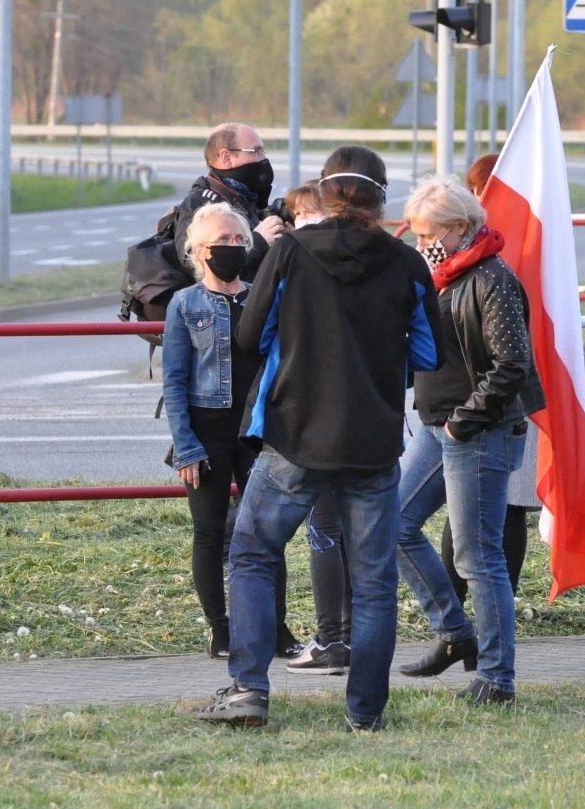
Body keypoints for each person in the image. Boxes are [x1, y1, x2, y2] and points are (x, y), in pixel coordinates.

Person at [198, 146, 441, 730]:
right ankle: (366, 713)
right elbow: (430, 352)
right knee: (374, 583)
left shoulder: (289, 251)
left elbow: (251, 334)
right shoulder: (407, 263)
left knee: (253, 553)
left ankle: (249, 690)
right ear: (381, 198)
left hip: (294, 432)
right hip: (373, 440)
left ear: (325, 193)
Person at [395, 177, 544, 705]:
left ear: (460, 227)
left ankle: (497, 678)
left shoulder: (492, 277)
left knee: (478, 557)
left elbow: (512, 364)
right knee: (394, 524)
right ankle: (455, 632)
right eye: (416, 234)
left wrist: (464, 421)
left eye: (427, 234)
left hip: (477, 430)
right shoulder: (440, 275)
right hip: (437, 426)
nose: (420, 244)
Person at [162, 202, 293, 658]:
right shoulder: (184, 304)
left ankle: (276, 628)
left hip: (259, 432)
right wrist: (186, 447)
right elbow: (174, 381)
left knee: (267, 533)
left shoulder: (263, 296)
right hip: (206, 434)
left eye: (239, 239)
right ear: (199, 250)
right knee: (209, 532)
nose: (232, 247)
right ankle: (220, 629)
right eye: (222, 240)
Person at [439, 152, 541, 604]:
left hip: (505, 392)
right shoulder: (465, 250)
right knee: (468, 514)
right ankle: (461, 609)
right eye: (478, 188)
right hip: (472, 394)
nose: (482, 196)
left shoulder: (512, 248)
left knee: (505, 507)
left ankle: (493, 609)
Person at [271, 178, 357, 677]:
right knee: (352, 534)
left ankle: (332, 640)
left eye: (308, 213)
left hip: (317, 421)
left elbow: (258, 331)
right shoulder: (372, 261)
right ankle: (352, 637)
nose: (301, 223)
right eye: (296, 214)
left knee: (324, 532)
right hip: (365, 420)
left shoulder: (297, 263)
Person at [172, 122, 283, 275]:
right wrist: (258, 241)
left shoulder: (247, 198)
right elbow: (192, 261)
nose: (263, 158)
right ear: (226, 157)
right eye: (256, 151)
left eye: (263, 151)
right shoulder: (200, 203)